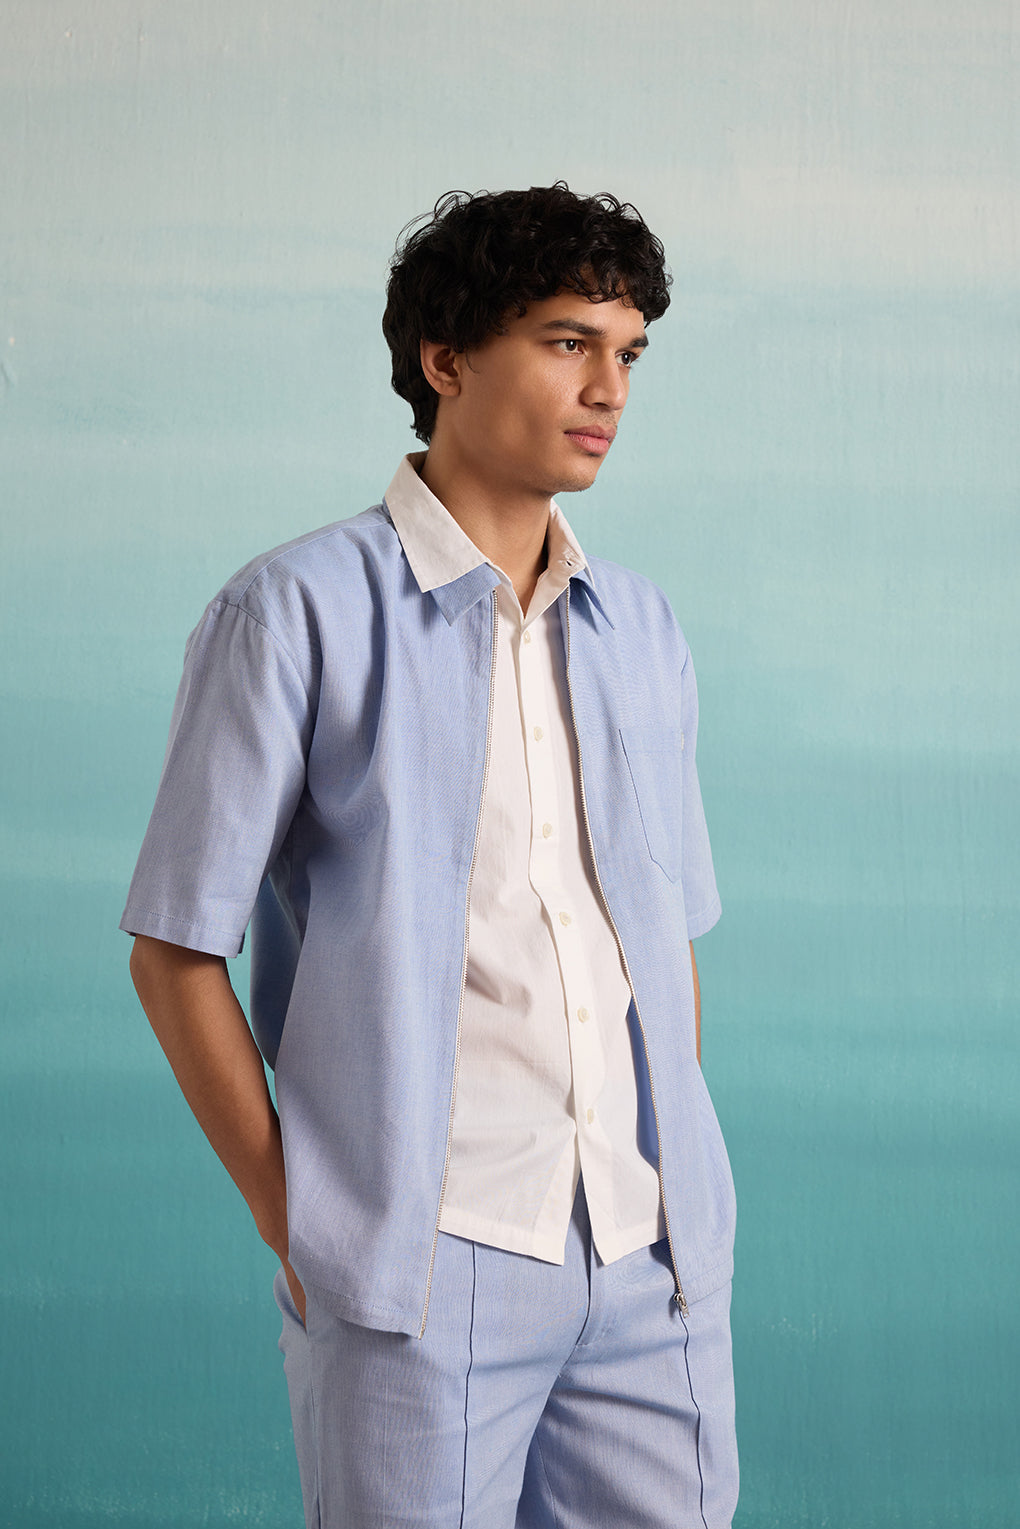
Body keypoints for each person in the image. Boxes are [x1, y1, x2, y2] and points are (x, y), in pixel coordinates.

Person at [122, 183, 738, 1528]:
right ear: (444, 359)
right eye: (568, 342)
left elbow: (663, 938)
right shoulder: (291, 613)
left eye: (628, 352)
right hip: (420, 1263)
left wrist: (681, 1193)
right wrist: (303, 1218)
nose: (609, 389)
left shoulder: (644, 629)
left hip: (655, 1259)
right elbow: (173, 948)